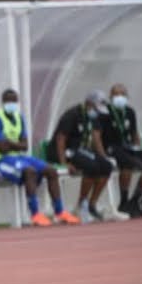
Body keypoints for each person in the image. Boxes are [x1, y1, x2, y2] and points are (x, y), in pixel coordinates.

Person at [0, 89, 80, 226]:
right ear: (3, 103)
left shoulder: (19, 117)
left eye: (14, 101)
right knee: (30, 171)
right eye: (9, 101)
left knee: (51, 170)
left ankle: (60, 212)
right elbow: (1, 148)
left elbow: (25, 145)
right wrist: (15, 144)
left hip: (18, 157)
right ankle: (35, 214)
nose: (12, 104)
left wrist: (9, 142)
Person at [49, 90, 116, 223]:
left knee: (106, 166)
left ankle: (92, 204)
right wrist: (63, 163)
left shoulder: (94, 116)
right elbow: (60, 139)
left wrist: (103, 156)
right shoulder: (72, 114)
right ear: (89, 104)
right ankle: (81, 204)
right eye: (97, 108)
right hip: (64, 152)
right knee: (92, 167)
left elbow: (96, 139)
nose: (98, 112)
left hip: (80, 151)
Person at [103, 83, 142, 217]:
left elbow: (134, 133)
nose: (120, 97)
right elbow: (96, 134)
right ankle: (124, 201)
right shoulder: (105, 112)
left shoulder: (130, 112)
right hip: (111, 146)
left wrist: (137, 147)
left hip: (128, 146)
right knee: (128, 164)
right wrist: (102, 153)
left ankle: (135, 199)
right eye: (116, 94)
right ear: (111, 96)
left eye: (122, 94)